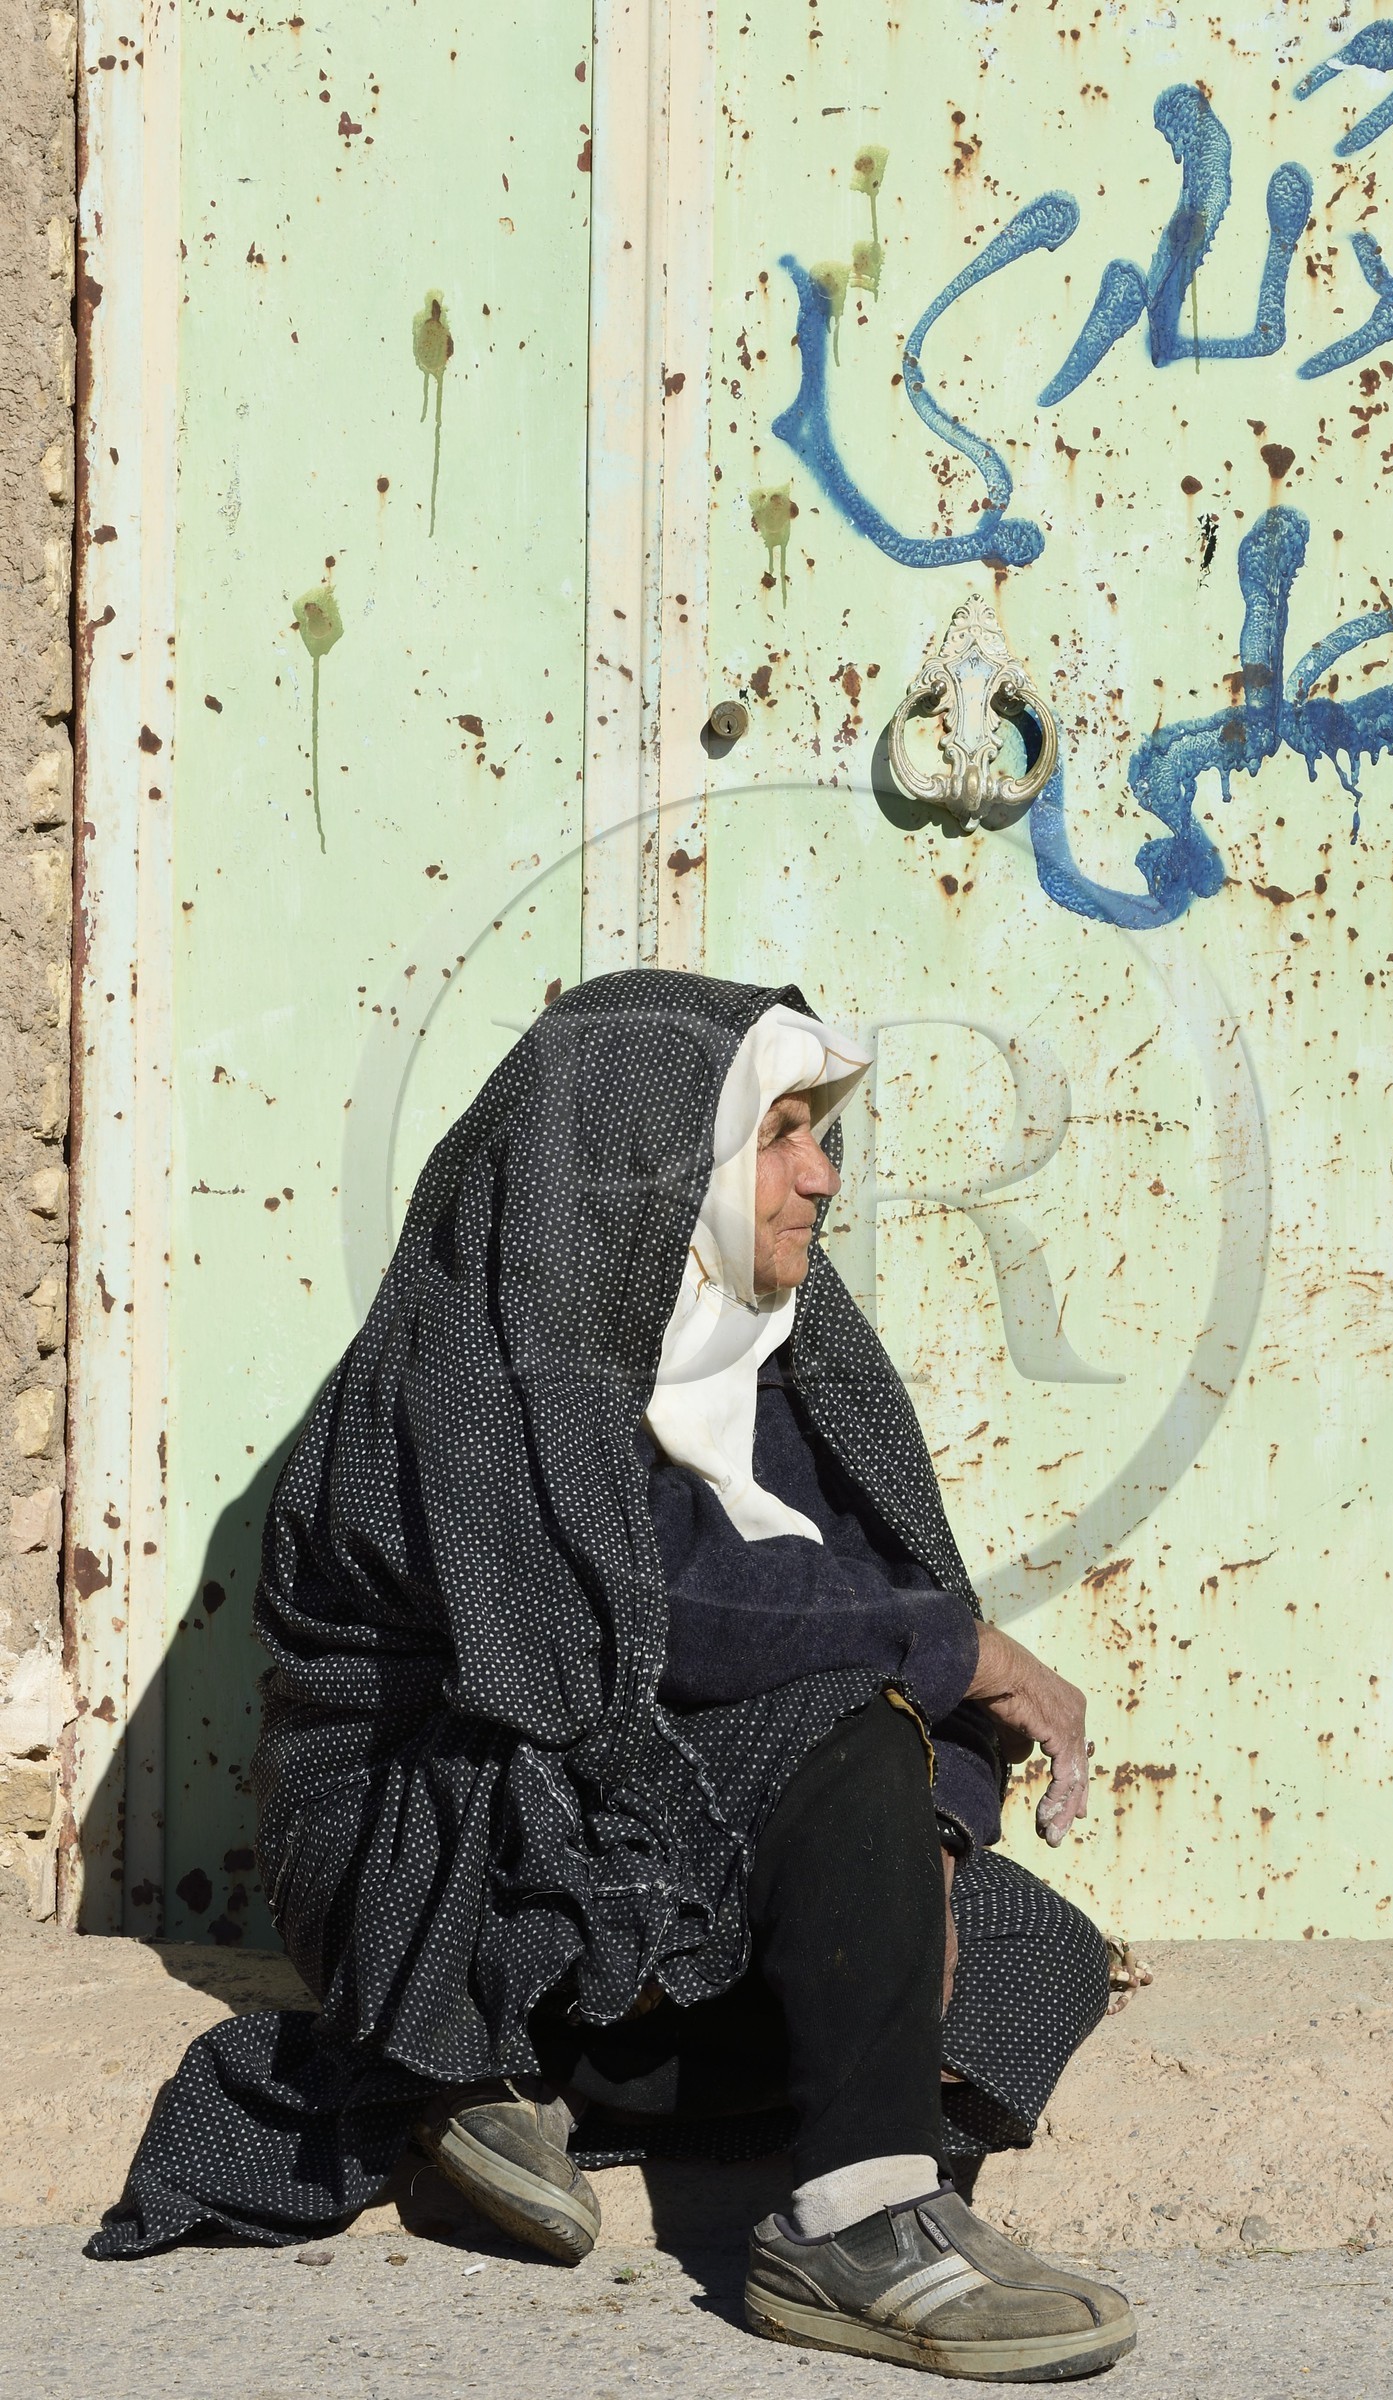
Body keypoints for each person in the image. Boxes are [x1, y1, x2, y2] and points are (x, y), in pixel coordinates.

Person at [90, 970, 1136, 2383]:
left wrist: (927, 1843)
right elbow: (640, 1619)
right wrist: (950, 1661)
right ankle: (858, 2218)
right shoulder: (465, 1365)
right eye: (785, 1134)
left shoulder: (787, 1352)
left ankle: (489, 2093)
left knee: (1026, 1952)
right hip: (458, 1874)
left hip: (646, 1871)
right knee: (844, 1710)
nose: (824, 1175)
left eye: (822, 1135)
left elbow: (894, 1603)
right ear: (659, 1155)